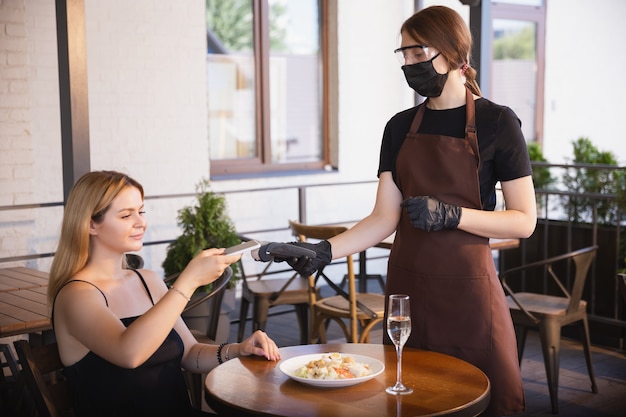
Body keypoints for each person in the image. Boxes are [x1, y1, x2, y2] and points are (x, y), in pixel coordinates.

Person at [284, 6, 536, 417]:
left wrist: (454, 215)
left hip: (470, 293)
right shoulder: (399, 127)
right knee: (411, 400)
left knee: (489, 400)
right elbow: (383, 218)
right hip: (408, 296)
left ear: (454, 53)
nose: (409, 64)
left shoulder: (497, 123)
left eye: (419, 54)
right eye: (403, 55)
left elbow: (525, 220)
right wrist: (324, 251)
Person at [48, 170, 280, 417]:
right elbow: (129, 353)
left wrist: (238, 350)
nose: (140, 222)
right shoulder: (76, 296)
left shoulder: (147, 280)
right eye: (126, 215)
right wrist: (188, 282)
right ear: (91, 224)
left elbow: (190, 354)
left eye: (141, 211)